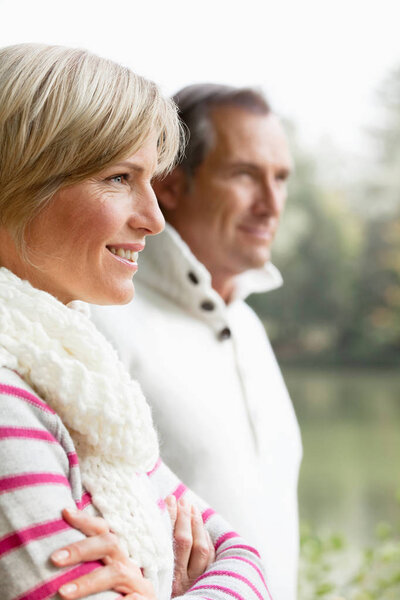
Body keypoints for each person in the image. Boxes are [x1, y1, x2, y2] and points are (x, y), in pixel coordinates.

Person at [0, 45, 273, 600]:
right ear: (20, 181)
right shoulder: (8, 401)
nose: (153, 219)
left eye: (151, 179)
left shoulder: (84, 381)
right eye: (120, 177)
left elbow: (244, 554)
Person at [91, 84, 303, 600]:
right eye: (244, 175)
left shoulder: (248, 325)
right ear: (171, 185)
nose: (271, 204)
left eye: (280, 179)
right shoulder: (99, 318)